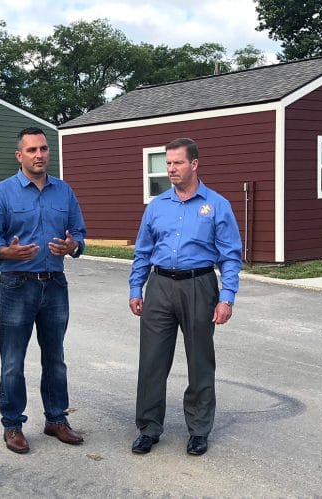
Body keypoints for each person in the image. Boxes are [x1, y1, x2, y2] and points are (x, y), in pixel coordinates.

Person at [127, 137, 242, 457]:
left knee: (200, 362)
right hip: (160, 285)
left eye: (177, 163)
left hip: (199, 286)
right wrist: (136, 289)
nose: (171, 169)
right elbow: (142, 252)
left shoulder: (217, 205)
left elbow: (231, 256)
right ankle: (148, 428)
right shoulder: (158, 206)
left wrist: (227, 297)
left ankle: (199, 430)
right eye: (168, 163)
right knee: (151, 362)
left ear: (194, 164)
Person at [0, 127, 87, 454]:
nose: (39, 155)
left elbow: (79, 233)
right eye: (32, 150)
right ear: (19, 156)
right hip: (16, 285)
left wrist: (73, 246)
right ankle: (12, 425)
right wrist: (4, 253)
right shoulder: (2, 193)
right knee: (13, 359)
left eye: (43, 149)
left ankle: (56, 419)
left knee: (55, 359)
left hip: (54, 285)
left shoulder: (64, 192)